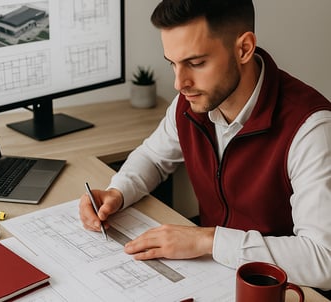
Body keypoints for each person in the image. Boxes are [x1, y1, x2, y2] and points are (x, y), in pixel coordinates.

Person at [79, 0, 331, 291]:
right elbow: (153, 156)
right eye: (172, 63)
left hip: (283, 289)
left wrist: (205, 240)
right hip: (212, 273)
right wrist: (117, 191)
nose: (179, 83)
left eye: (196, 63)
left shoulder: (311, 129)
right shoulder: (191, 101)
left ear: (244, 49)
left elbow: (324, 260)